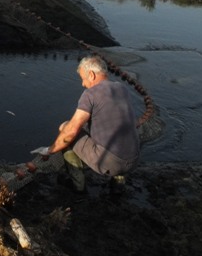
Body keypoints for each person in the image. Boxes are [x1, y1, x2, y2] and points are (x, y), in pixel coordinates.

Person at [46, 55, 140, 193]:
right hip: (133, 160)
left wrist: (49, 151)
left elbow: (71, 130)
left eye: (83, 79)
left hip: (110, 164)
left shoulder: (90, 94)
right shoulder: (122, 88)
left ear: (91, 75)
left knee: (65, 127)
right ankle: (119, 183)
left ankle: (78, 185)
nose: (83, 84)